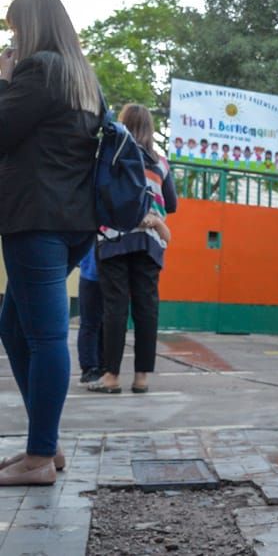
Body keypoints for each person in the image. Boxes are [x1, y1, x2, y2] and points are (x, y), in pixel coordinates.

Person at [0, 0, 103, 485]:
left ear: (33, 26)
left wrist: (2, 80)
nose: (12, 37)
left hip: (35, 220)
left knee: (42, 336)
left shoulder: (38, 70)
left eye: (15, 27)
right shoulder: (83, 78)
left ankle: (40, 457)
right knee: (16, 327)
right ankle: (46, 442)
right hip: (74, 222)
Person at [90, 104, 177, 395]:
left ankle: (111, 376)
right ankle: (141, 378)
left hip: (114, 236)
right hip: (150, 239)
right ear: (150, 129)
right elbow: (172, 204)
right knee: (146, 307)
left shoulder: (113, 152)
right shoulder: (161, 162)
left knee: (115, 307)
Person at [77, 248, 104, 384]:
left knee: (98, 324)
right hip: (91, 274)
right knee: (90, 323)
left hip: (108, 273)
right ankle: (90, 368)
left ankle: (99, 366)